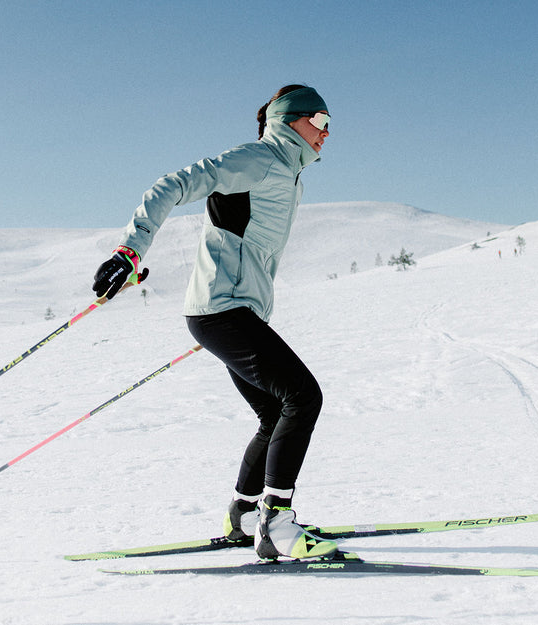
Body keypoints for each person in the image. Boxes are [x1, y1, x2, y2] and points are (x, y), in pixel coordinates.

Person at [90, 84, 337, 560]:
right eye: (321, 121)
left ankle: (244, 515)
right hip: (222, 310)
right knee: (303, 397)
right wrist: (131, 248)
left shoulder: (289, 176)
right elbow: (173, 184)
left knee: (274, 413)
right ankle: (278, 525)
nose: (328, 133)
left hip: (234, 313)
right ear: (289, 121)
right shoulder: (259, 159)